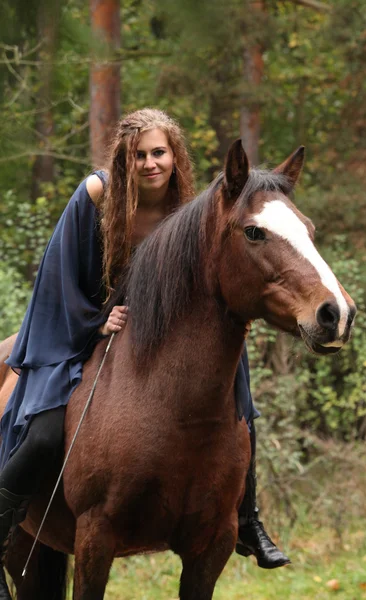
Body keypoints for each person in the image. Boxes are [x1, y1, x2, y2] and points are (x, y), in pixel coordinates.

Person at [0, 108, 290, 570]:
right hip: (84, 326)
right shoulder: (97, 193)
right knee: (44, 431)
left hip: (156, 327)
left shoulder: (188, 207)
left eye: (160, 152)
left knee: (235, 392)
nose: (151, 163)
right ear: (124, 159)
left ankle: (247, 517)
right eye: (140, 155)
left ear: (175, 156)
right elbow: (59, 270)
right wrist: (94, 321)